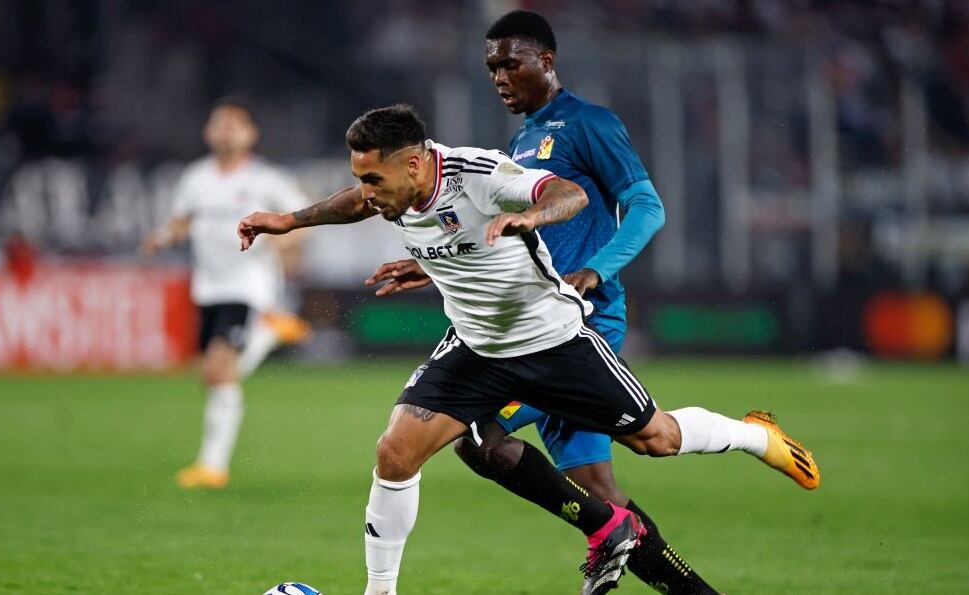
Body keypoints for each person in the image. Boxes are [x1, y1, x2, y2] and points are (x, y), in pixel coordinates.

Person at [237, 104, 820, 595]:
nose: (367, 193)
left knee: (656, 439)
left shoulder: (481, 175)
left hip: (551, 341)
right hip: (475, 349)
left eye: (374, 180)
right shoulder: (393, 188)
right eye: (361, 177)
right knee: (396, 453)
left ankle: (755, 434)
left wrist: (530, 218)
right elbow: (353, 203)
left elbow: (568, 195)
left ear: (413, 164)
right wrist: (288, 221)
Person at [143, 96, 309, 489]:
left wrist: (288, 246)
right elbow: (182, 223)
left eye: (234, 124)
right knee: (215, 375)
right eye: (219, 124)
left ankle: (212, 467)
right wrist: (162, 237)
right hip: (209, 285)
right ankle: (270, 332)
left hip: (249, 285)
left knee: (219, 370)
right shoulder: (195, 178)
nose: (226, 130)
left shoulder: (266, 179)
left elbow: (300, 219)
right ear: (207, 132)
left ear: (251, 134)